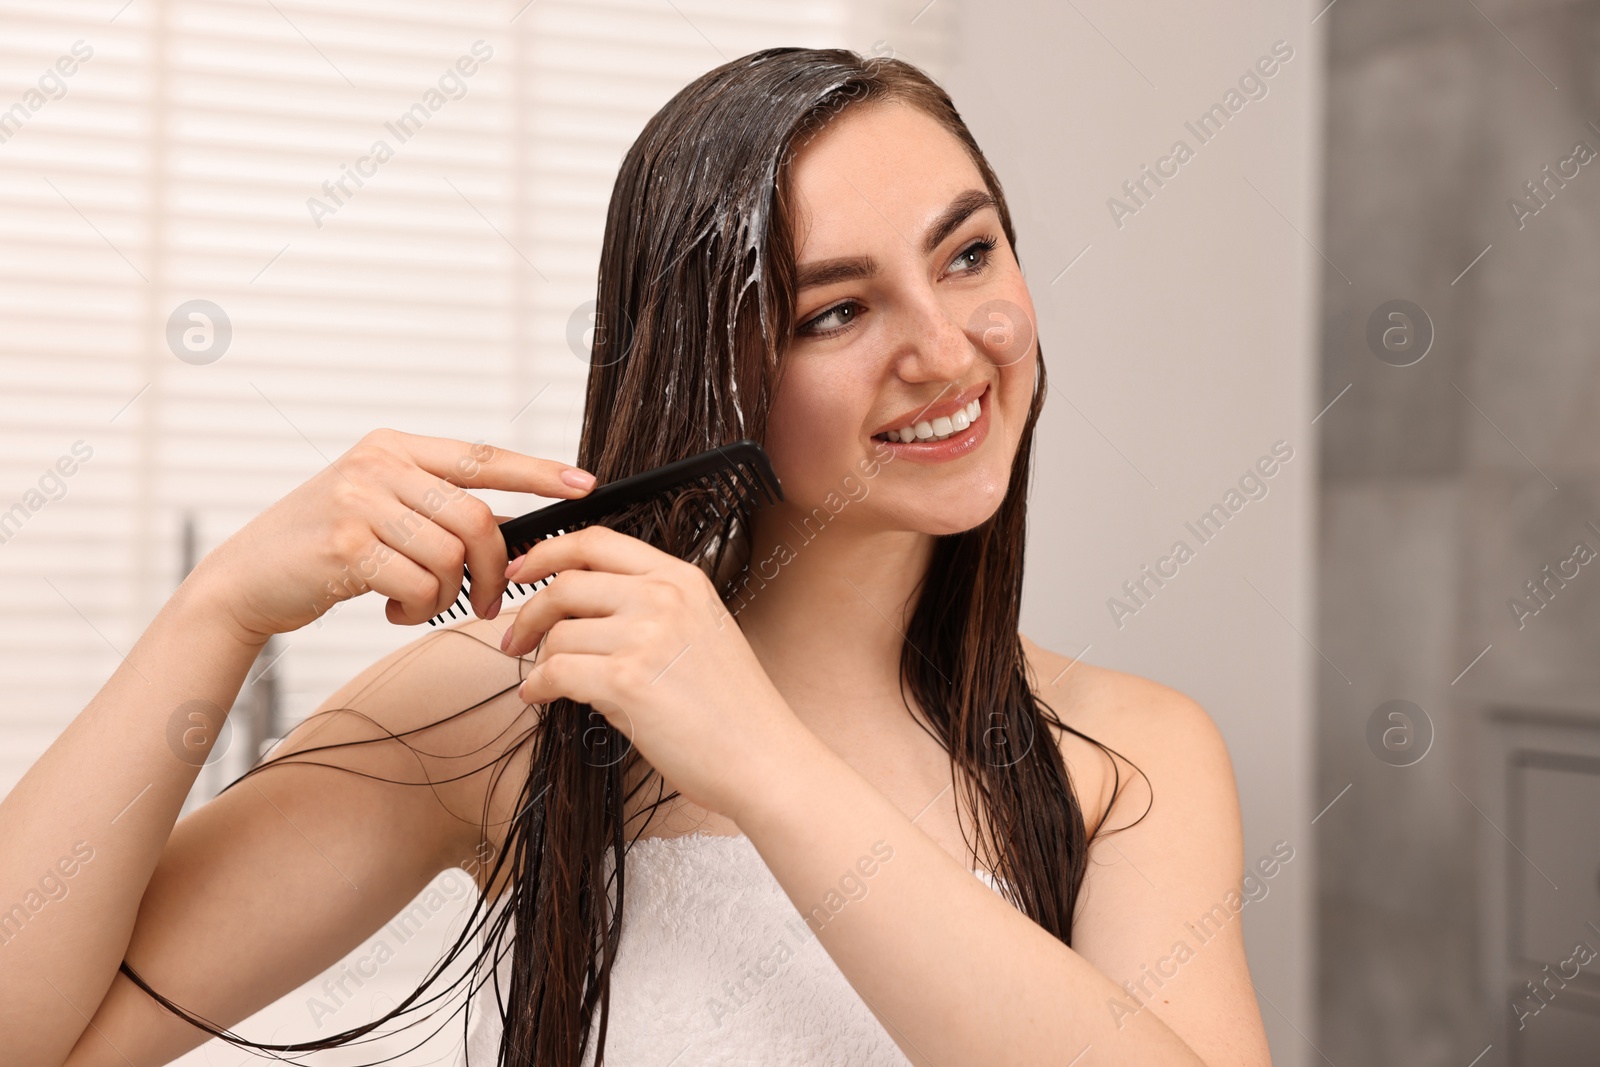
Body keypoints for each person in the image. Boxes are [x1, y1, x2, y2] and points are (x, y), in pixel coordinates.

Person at [0, 47, 1272, 1067]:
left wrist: (762, 760)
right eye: (835, 308)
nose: (947, 351)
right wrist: (216, 610)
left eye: (968, 253)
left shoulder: (1127, 758)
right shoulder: (508, 711)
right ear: (714, 367)